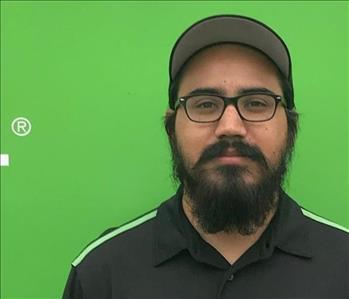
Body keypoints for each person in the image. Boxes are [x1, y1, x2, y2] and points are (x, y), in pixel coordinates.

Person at [63, 15, 349, 299]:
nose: (230, 127)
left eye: (257, 103)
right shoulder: (103, 272)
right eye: (205, 104)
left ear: (290, 127)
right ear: (171, 129)